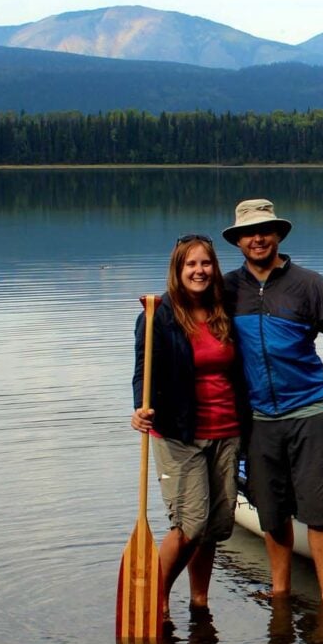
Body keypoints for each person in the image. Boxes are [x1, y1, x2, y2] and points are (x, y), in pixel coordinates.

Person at [221, 198, 323, 605]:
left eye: (265, 231)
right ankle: (280, 589)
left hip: (308, 411)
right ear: (238, 241)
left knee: (320, 511)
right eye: (248, 233)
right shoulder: (226, 289)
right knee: (272, 514)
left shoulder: (308, 284)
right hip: (256, 418)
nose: (258, 238)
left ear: (278, 235)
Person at [130, 234, 243, 620]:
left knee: (215, 524)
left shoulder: (224, 309)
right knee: (192, 523)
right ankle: (154, 599)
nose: (199, 271)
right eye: (190, 264)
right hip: (180, 434)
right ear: (178, 271)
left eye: (206, 263)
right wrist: (139, 410)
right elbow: (142, 375)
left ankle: (199, 600)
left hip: (226, 430)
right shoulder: (157, 316)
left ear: (214, 269)